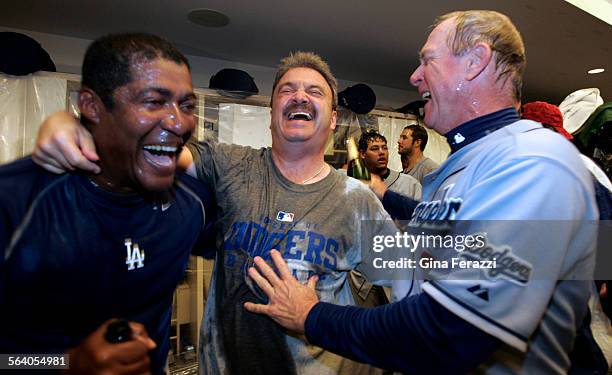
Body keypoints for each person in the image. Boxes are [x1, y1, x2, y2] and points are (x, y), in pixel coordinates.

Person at [243, 10, 600, 374]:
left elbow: (446, 331)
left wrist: (312, 316)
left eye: (427, 60)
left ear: (475, 62)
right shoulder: (469, 164)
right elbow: (452, 235)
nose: (414, 76)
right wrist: (378, 202)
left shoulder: (531, 162)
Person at [32, 52, 399, 374]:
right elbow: (151, 148)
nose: (299, 95)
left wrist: (322, 320)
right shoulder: (229, 164)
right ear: (272, 112)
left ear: (333, 119)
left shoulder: (357, 200)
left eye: (314, 91)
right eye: (286, 89)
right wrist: (69, 126)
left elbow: (411, 289)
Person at [0, 33, 215, 374]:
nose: (179, 122)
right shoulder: (15, 205)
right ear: (91, 106)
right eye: (154, 101)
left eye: (186, 106)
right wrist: (67, 365)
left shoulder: (190, 205)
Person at [357, 130, 421, 199]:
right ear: (362, 154)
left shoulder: (409, 184)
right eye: (375, 149)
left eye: (385, 148)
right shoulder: (354, 183)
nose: (382, 152)